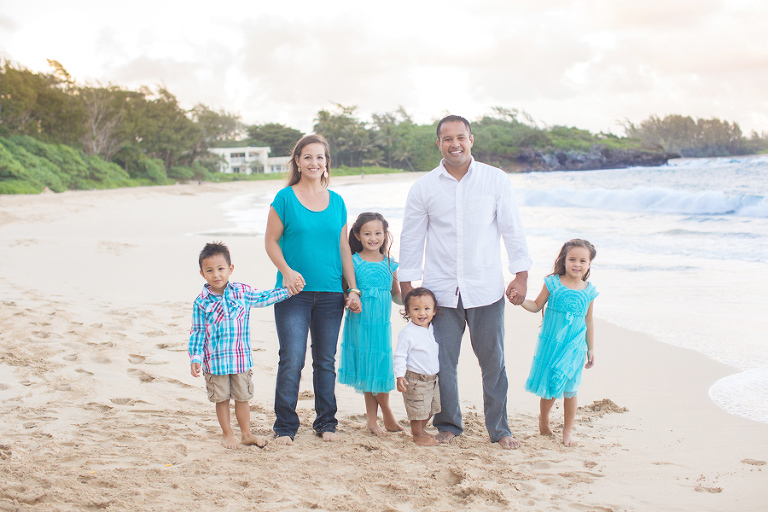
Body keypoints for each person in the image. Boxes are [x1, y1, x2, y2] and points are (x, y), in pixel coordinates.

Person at [398, 114, 531, 449]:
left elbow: (512, 228)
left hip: (486, 288)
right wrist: (407, 285)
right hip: (440, 293)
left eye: (461, 137)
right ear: (438, 143)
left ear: (471, 139)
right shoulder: (424, 187)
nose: (454, 144)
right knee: (441, 362)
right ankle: (449, 424)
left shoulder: (495, 180)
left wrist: (521, 274)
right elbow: (411, 239)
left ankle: (500, 429)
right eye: (447, 139)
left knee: (493, 362)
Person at [265, 134, 362, 445]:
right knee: (292, 357)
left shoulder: (337, 202)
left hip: (332, 293)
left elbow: (344, 247)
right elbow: (270, 242)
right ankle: (285, 427)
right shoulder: (284, 198)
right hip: (292, 293)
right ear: (298, 161)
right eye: (308, 157)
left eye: (320, 157)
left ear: (326, 163)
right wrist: (287, 271)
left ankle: (326, 423)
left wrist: (353, 289)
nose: (314, 163)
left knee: (325, 360)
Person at [189, 242, 291, 449]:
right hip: (215, 362)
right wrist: (195, 357)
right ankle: (227, 434)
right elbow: (198, 332)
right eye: (210, 271)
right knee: (222, 399)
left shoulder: (241, 292)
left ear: (230, 269)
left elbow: (264, 297)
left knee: (243, 398)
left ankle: (246, 434)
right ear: (202, 274)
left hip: (240, 360)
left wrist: (288, 291)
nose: (216, 275)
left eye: (220, 269)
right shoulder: (201, 301)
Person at [516, 239, 598, 447]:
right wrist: (519, 300)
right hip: (552, 345)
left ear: (589, 264)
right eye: (572, 259)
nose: (577, 264)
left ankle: (567, 432)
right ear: (564, 260)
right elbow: (536, 306)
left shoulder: (588, 290)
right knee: (551, 386)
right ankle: (544, 420)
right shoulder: (552, 283)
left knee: (571, 390)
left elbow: (589, 320)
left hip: (575, 346)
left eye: (582, 260)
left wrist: (591, 348)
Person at [338, 212, 404, 436]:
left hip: (382, 326)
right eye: (367, 233)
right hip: (360, 323)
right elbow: (347, 291)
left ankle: (375, 420)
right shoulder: (353, 262)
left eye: (378, 233)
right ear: (357, 235)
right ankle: (382, 416)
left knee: (379, 369)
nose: (373, 238)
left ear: (385, 235)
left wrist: (414, 301)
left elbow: (396, 295)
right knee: (369, 368)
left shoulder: (391, 264)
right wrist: (351, 299)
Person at [394, 287, 441, 446]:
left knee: (430, 408)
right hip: (416, 380)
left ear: (434, 311)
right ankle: (417, 434)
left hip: (432, 380)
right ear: (407, 311)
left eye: (427, 309)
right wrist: (399, 375)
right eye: (416, 309)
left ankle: (420, 429)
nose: (422, 313)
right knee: (418, 410)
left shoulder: (431, 329)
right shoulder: (408, 333)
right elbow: (400, 355)